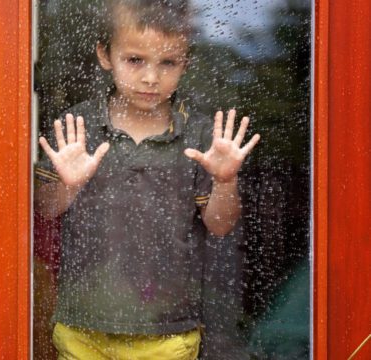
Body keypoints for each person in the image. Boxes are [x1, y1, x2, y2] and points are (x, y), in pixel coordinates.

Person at [34, 0, 260, 358]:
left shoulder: (200, 135)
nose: (151, 77)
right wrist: (70, 185)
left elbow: (219, 225)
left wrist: (226, 180)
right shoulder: (79, 126)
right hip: (84, 325)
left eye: (168, 62)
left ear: (185, 63)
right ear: (105, 55)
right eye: (135, 60)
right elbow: (44, 209)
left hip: (166, 331)